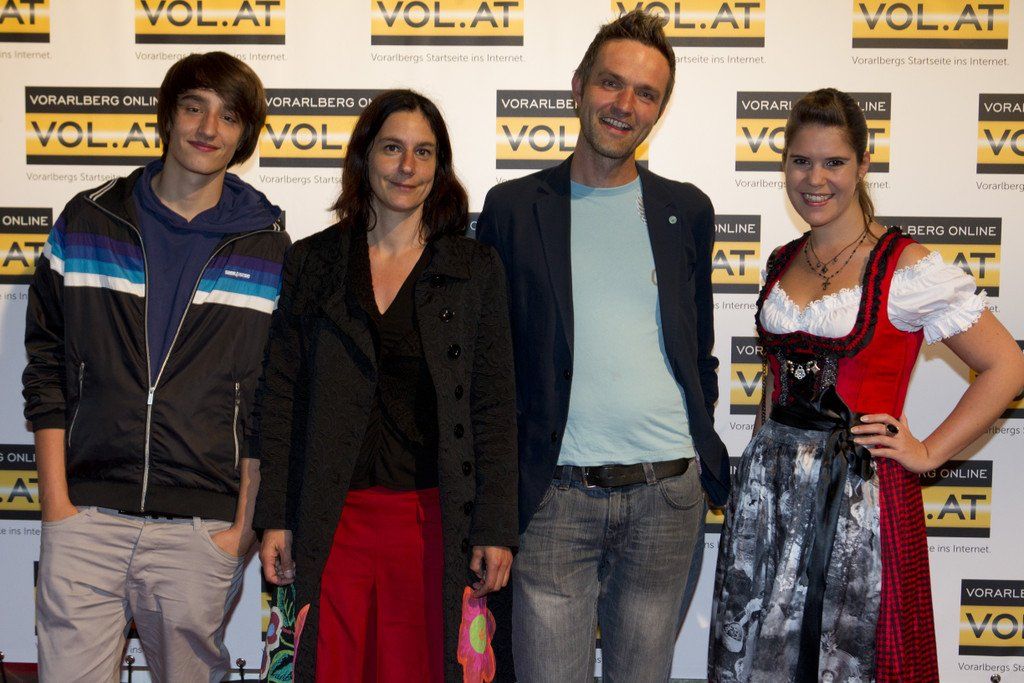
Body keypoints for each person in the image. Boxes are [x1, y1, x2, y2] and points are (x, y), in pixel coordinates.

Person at [708, 87, 1024, 682]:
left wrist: (928, 451)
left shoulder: (904, 266)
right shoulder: (781, 260)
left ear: (863, 165)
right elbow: (775, 383)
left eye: (834, 162)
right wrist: (758, 459)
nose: (815, 179)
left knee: (857, 655)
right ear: (784, 165)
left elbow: (1006, 364)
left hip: (859, 496)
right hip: (771, 500)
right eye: (801, 161)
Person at [476, 10, 730, 682]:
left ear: (659, 110)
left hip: (667, 500)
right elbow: (490, 369)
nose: (625, 105)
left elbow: (698, 351)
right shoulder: (512, 207)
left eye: (646, 93)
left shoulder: (687, 210)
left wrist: (697, 448)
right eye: (611, 83)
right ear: (578, 86)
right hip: (554, 500)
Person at [23, 52, 289, 681]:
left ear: (245, 136)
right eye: (194, 107)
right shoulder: (88, 221)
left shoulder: (268, 247)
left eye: (229, 116)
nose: (208, 128)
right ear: (168, 117)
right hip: (85, 518)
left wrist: (242, 531)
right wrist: (57, 504)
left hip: (200, 532)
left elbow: (270, 399)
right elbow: (47, 367)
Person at [253, 89, 518, 682]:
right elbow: (281, 399)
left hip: (433, 523)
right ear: (364, 156)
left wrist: (496, 527)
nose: (407, 166)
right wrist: (275, 516)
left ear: (439, 168)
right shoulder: (313, 262)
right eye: (392, 148)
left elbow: (494, 407)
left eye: (424, 152)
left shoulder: (474, 269)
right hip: (330, 520)